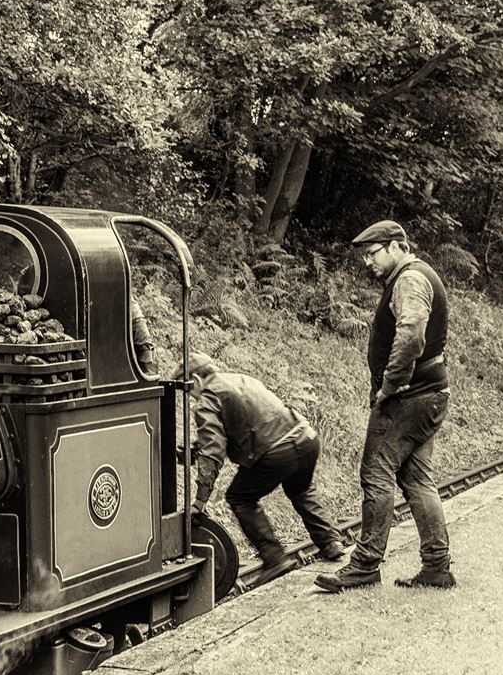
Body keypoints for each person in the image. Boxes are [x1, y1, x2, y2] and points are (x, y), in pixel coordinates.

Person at [316, 220, 455, 593]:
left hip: (407, 397)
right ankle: (437, 566)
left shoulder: (409, 280)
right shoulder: (417, 275)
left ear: (396, 246)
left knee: (375, 474)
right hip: (430, 393)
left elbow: (411, 332)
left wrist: (390, 385)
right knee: (416, 479)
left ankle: (364, 565)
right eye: (364, 255)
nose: (367, 262)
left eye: (372, 253)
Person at [182, 352, 348, 590]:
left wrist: (200, 501)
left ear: (196, 380)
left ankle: (274, 558)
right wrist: (194, 448)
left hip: (277, 451)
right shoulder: (240, 379)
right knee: (300, 489)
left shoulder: (208, 399)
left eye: (188, 390)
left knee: (240, 497)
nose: (191, 396)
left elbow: (213, 452)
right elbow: (246, 422)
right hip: (306, 437)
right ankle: (331, 542)